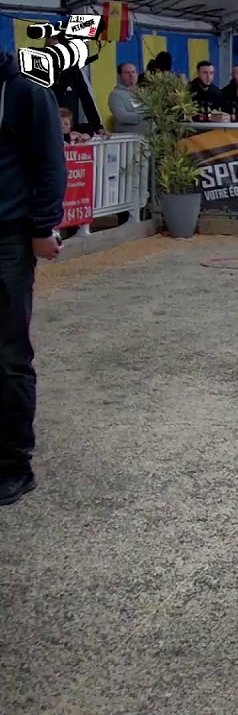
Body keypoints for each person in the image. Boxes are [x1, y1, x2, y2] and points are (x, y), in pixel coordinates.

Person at [0, 49, 66, 506]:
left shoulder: (24, 88)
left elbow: (50, 161)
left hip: (8, 238)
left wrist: (42, 226)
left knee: (7, 354)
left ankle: (13, 463)